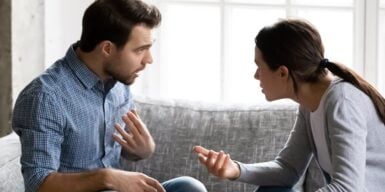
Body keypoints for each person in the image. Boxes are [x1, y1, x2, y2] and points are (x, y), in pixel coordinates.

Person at [12, 0, 207, 192]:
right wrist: (106, 177)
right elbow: (38, 183)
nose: (149, 59)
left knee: (189, 187)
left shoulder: (119, 82)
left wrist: (140, 151)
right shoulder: (45, 97)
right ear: (107, 49)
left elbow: (106, 148)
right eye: (140, 50)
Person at [193, 19, 385, 192]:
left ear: (283, 73)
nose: (256, 75)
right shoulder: (309, 104)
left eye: (259, 67)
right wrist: (235, 170)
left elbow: (348, 188)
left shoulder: (342, 102)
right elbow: (288, 169)